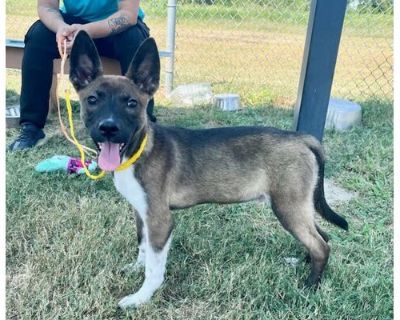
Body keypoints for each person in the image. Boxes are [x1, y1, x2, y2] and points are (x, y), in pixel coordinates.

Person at [9, 0, 156, 151]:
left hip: (116, 27)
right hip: (74, 24)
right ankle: (31, 126)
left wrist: (86, 31)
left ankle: (146, 127)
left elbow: (128, 15)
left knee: (134, 37)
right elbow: (46, 7)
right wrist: (62, 28)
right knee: (38, 35)